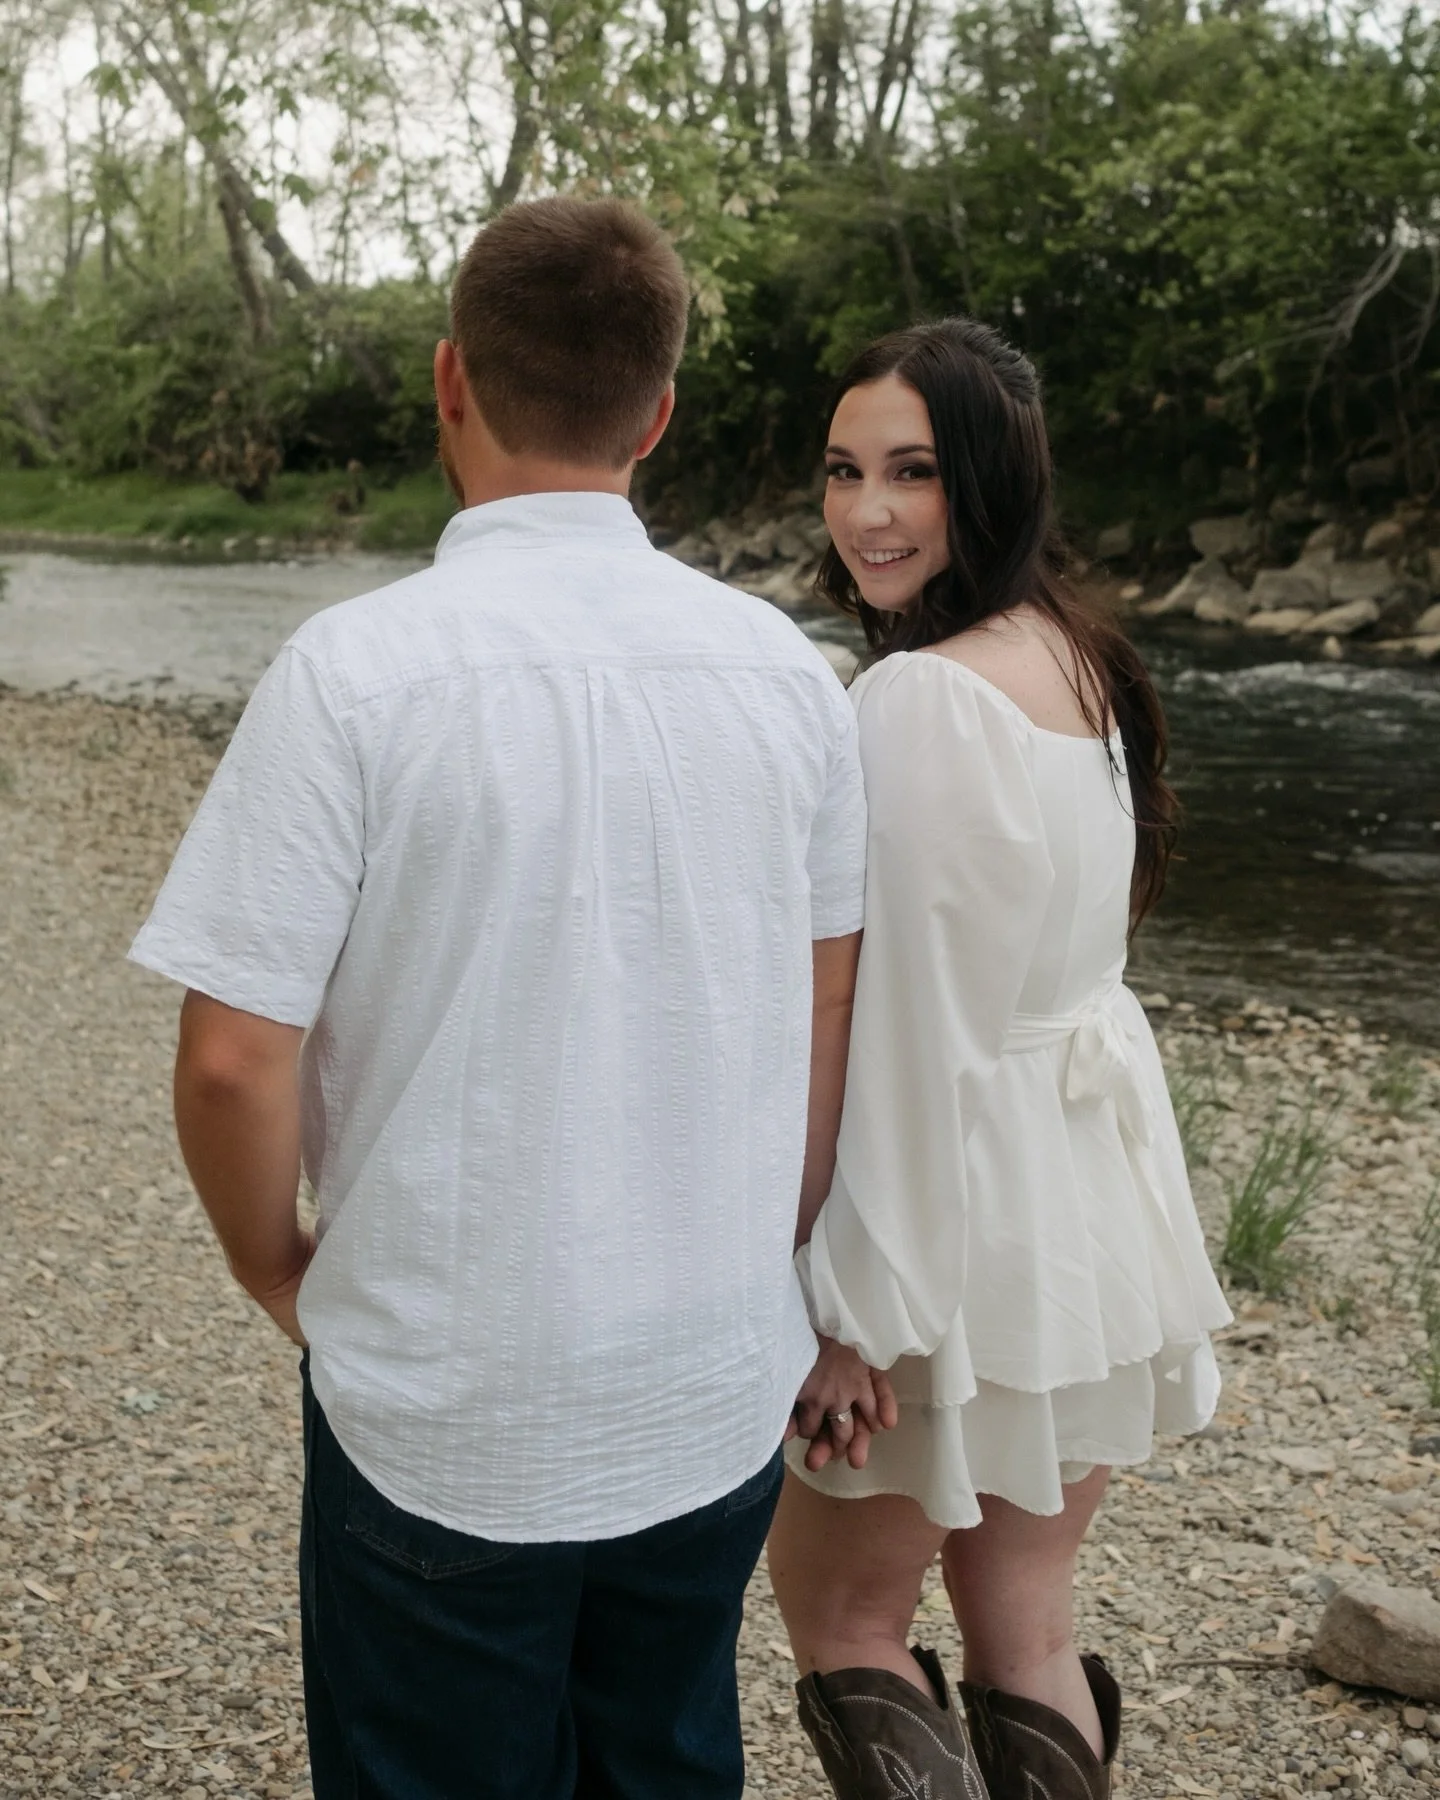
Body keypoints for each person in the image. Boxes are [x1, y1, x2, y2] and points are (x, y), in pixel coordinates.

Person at [128, 196, 875, 1800]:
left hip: (445, 1388)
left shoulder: (352, 672)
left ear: (449, 380)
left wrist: (278, 1268)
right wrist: (770, 1261)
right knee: (665, 1753)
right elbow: (828, 1020)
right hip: (707, 1372)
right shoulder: (791, 679)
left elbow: (233, 1062)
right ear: (659, 412)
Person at [770, 318, 1233, 1800]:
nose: (869, 513)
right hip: (1074, 1214)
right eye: (844, 472)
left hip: (952, 1221)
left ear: (993, 480)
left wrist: (848, 1315)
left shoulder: (923, 698)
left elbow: (915, 1042)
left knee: (845, 1610)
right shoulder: (1081, 660)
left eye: (914, 472)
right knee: (1025, 1624)